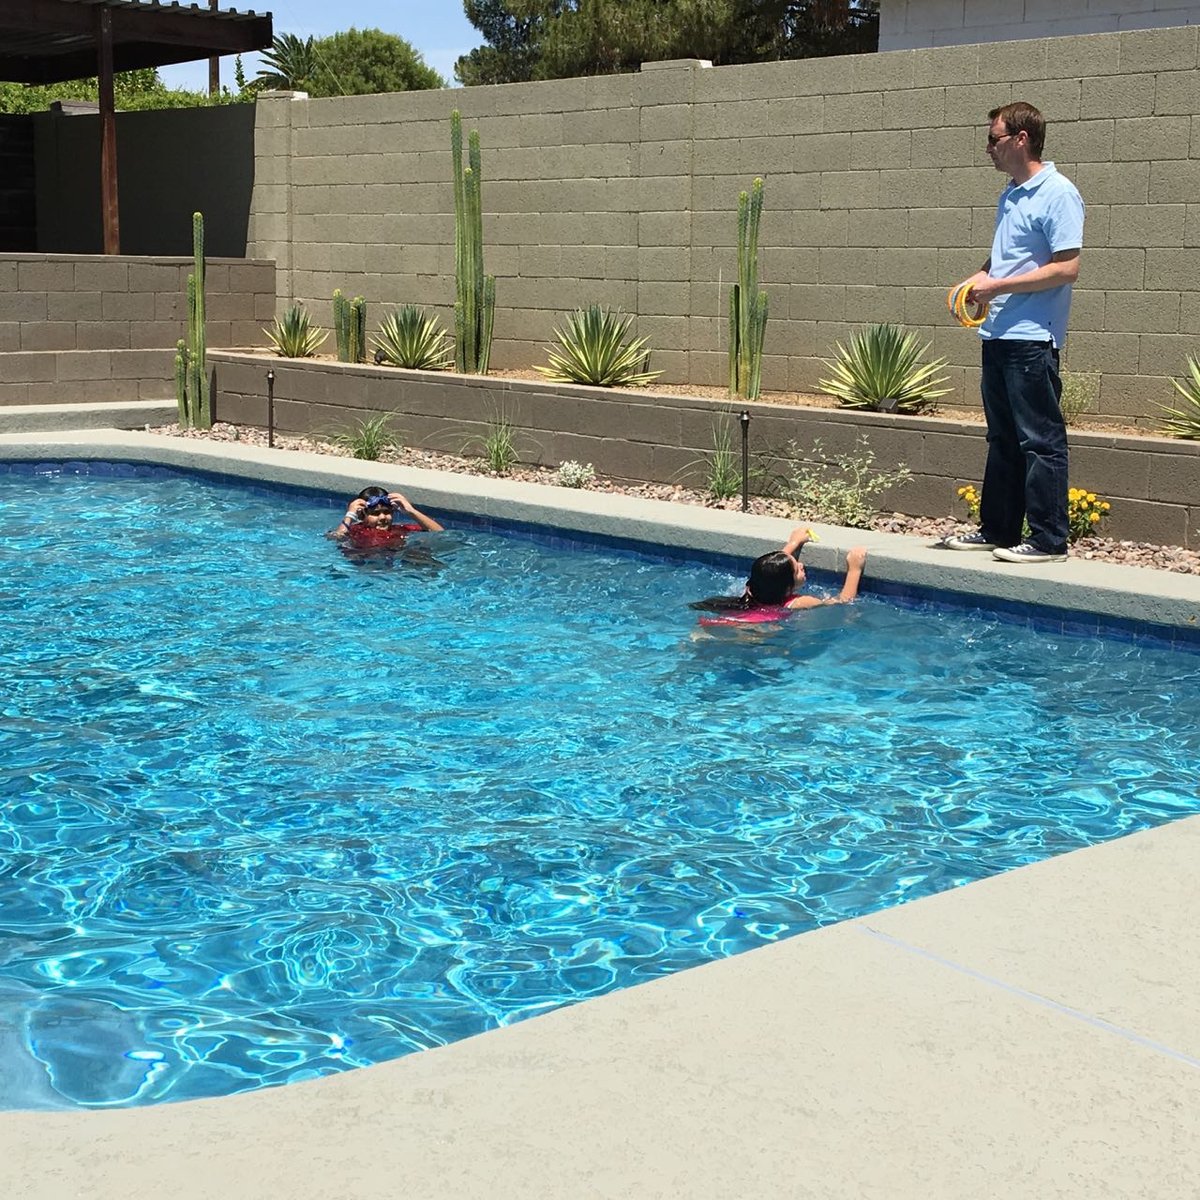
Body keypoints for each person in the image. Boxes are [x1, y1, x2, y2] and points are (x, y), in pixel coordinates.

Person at [945, 101, 1084, 565]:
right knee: (1002, 438)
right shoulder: (1010, 193)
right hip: (998, 333)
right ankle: (998, 530)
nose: (987, 148)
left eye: (994, 138)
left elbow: (1067, 268)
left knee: (1040, 442)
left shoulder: (1058, 193)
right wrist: (976, 281)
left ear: (1021, 139)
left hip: (1032, 337)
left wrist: (998, 286)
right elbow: (1004, 260)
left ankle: (1048, 541)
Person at [690, 527, 868, 625]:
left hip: (720, 624)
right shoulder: (801, 602)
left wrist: (794, 542)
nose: (802, 565)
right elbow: (843, 602)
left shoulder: (753, 589)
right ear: (788, 588)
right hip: (749, 633)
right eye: (797, 570)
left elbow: (773, 570)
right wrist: (854, 569)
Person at [328, 486, 444, 541]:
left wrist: (411, 511)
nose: (383, 517)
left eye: (387, 512)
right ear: (362, 515)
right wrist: (350, 516)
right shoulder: (355, 530)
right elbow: (335, 538)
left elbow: (440, 533)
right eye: (375, 513)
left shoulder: (401, 529)